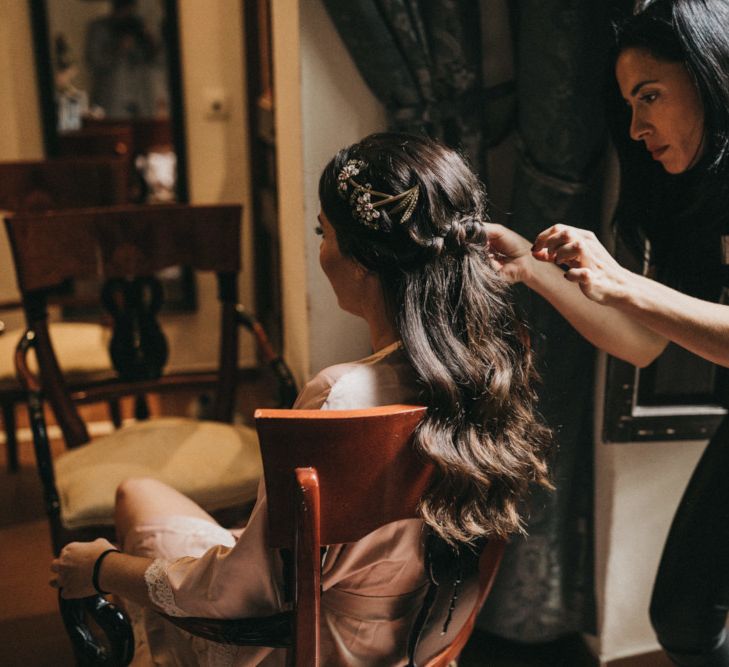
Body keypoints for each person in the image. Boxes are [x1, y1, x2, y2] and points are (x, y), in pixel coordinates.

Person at [50, 133, 552, 666]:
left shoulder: (343, 398)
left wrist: (103, 566)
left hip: (309, 647)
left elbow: (243, 595)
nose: (322, 251)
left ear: (361, 259)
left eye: (324, 232)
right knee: (159, 503)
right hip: (420, 643)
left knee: (134, 494)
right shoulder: (494, 370)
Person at [486, 1, 729, 664]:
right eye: (628, 103)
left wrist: (620, 280)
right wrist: (531, 272)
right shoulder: (695, 196)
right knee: (681, 616)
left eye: (649, 95)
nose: (636, 125)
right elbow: (643, 342)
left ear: (711, 73)